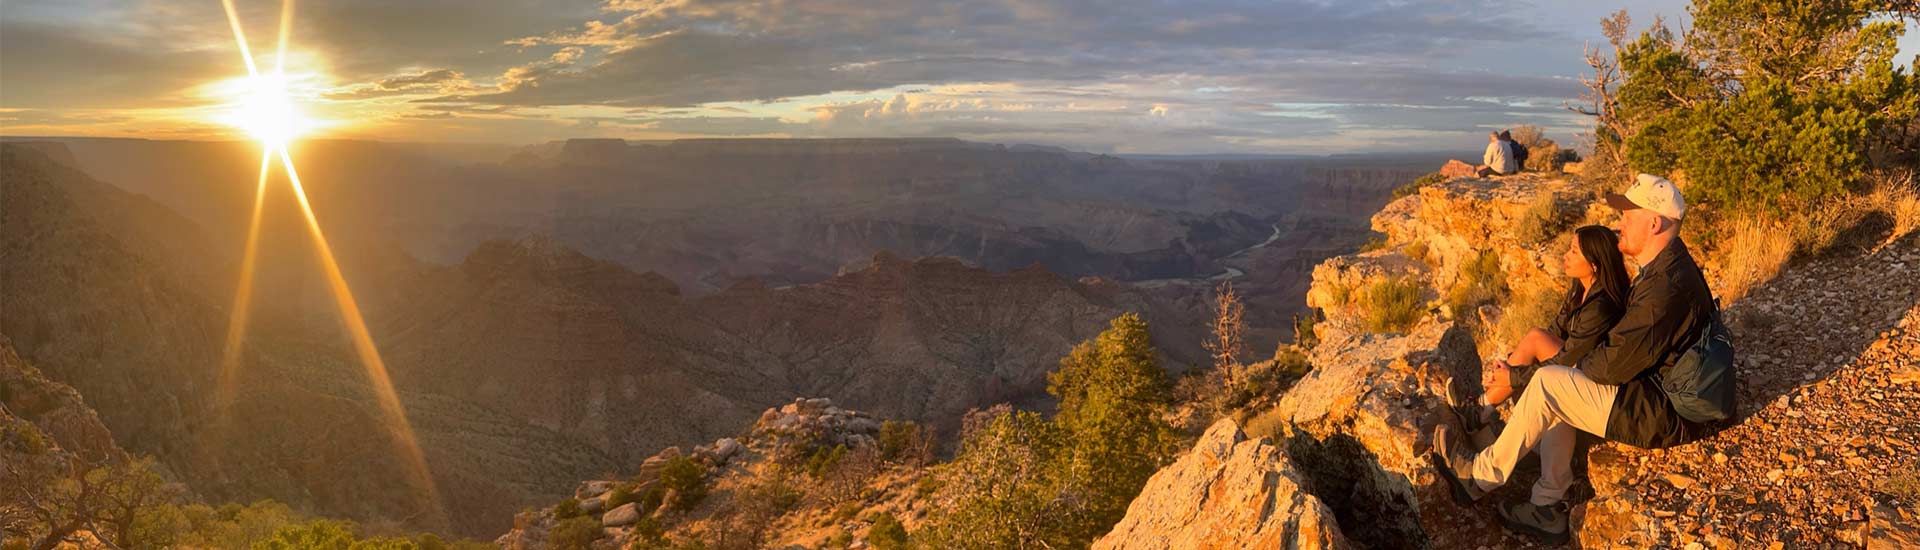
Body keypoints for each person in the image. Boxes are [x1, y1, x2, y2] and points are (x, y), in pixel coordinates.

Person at [1430, 174, 1718, 544]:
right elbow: (1615, 354)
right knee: (1559, 382)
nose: (1620, 225)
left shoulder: (1664, 287)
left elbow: (1612, 365)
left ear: (1654, 223)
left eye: (1628, 217)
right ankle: (1548, 504)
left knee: (1554, 382)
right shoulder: (1665, 269)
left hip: (1664, 413)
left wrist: (1532, 375)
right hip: (1661, 395)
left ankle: (1478, 477)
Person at [1445, 225, 1630, 438]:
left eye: (1574, 252)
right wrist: (1513, 363)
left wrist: (1512, 375)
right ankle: (1482, 412)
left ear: (1594, 264)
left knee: (1534, 339)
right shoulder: (1579, 290)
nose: (1565, 256)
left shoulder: (1600, 306)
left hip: (1590, 381)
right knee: (1529, 346)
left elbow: (1568, 356)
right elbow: (1554, 332)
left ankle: (1479, 411)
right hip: (1573, 366)